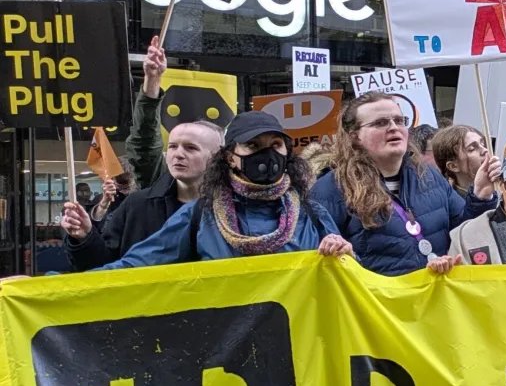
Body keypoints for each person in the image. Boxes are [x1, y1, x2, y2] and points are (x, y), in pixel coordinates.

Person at [87, 111, 349, 269]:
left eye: (276, 145)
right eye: (253, 145)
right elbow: (137, 265)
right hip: (227, 342)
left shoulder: (312, 215)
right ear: (230, 157)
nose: (267, 154)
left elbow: (350, 279)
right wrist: (68, 290)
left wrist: (343, 254)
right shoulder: (200, 216)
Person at [61, 38, 222, 271]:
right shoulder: (139, 206)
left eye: (191, 148)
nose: (178, 154)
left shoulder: (233, 208)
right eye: (173, 146)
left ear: (217, 156)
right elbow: (104, 266)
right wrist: (85, 237)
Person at [312, 92, 499, 277]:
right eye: (380, 123)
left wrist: (481, 196)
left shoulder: (429, 177)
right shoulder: (330, 189)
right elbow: (319, 265)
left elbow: (465, 233)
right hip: (375, 297)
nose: (393, 128)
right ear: (355, 136)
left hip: (436, 294)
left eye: (399, 120)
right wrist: (346, 256)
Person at [432, 124, 489, 200]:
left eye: (483, 144)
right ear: (453, 166)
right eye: (472, 149)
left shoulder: (501, 185)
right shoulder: (451, 203)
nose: (485, 150)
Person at [88, 157, 138, 223]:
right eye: (120, 187)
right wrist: (103, 205)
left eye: (126, 187)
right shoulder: (103, 199)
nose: (124, 191)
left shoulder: (141, 197)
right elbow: (92, 224)